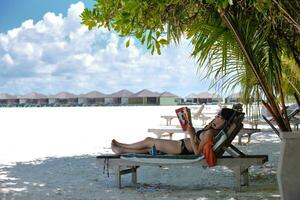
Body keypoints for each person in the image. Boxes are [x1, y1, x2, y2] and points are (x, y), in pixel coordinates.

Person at [111, 108, 235, 155]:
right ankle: (122, 149)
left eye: (220, 117)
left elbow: (198, 153)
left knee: (149, 141)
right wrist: (189, 124)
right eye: (217, 115)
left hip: (180, 148)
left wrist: (191, 135)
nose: (216, 118)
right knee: (150, 149)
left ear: (226, 122)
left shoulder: (209, 134)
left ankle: (122, 146)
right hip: (180, 145)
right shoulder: (212, 130)